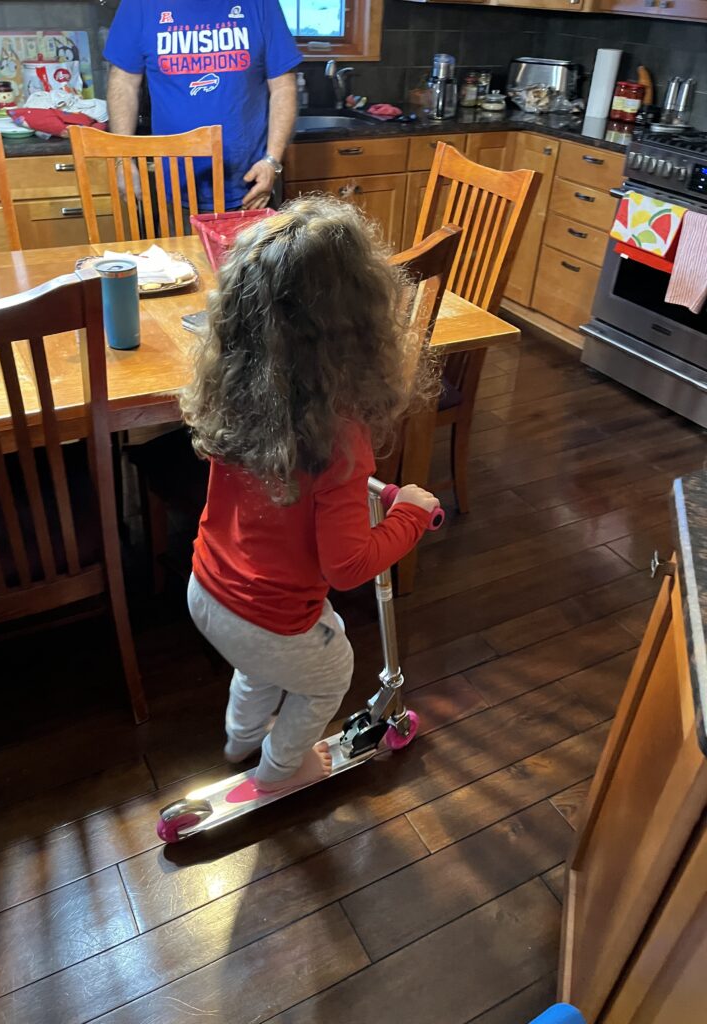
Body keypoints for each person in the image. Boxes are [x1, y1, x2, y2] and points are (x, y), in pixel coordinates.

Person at [180, 196, 441, 792]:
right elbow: (346, 567)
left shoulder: (235, 394)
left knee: (259, 667)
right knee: (328, 673)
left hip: (207, 590)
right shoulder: (341, 441)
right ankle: (281, 770)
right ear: (363, 326)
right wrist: (409, 514)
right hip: (270, 617)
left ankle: (240, 738)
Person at [103, 0, 301, 211]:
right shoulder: (140, 4)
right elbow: (123, 82)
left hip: (251, 190)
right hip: (173, 190)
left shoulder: (260, 3)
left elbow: (283, 86)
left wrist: (272, 161)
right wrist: (123, 160)